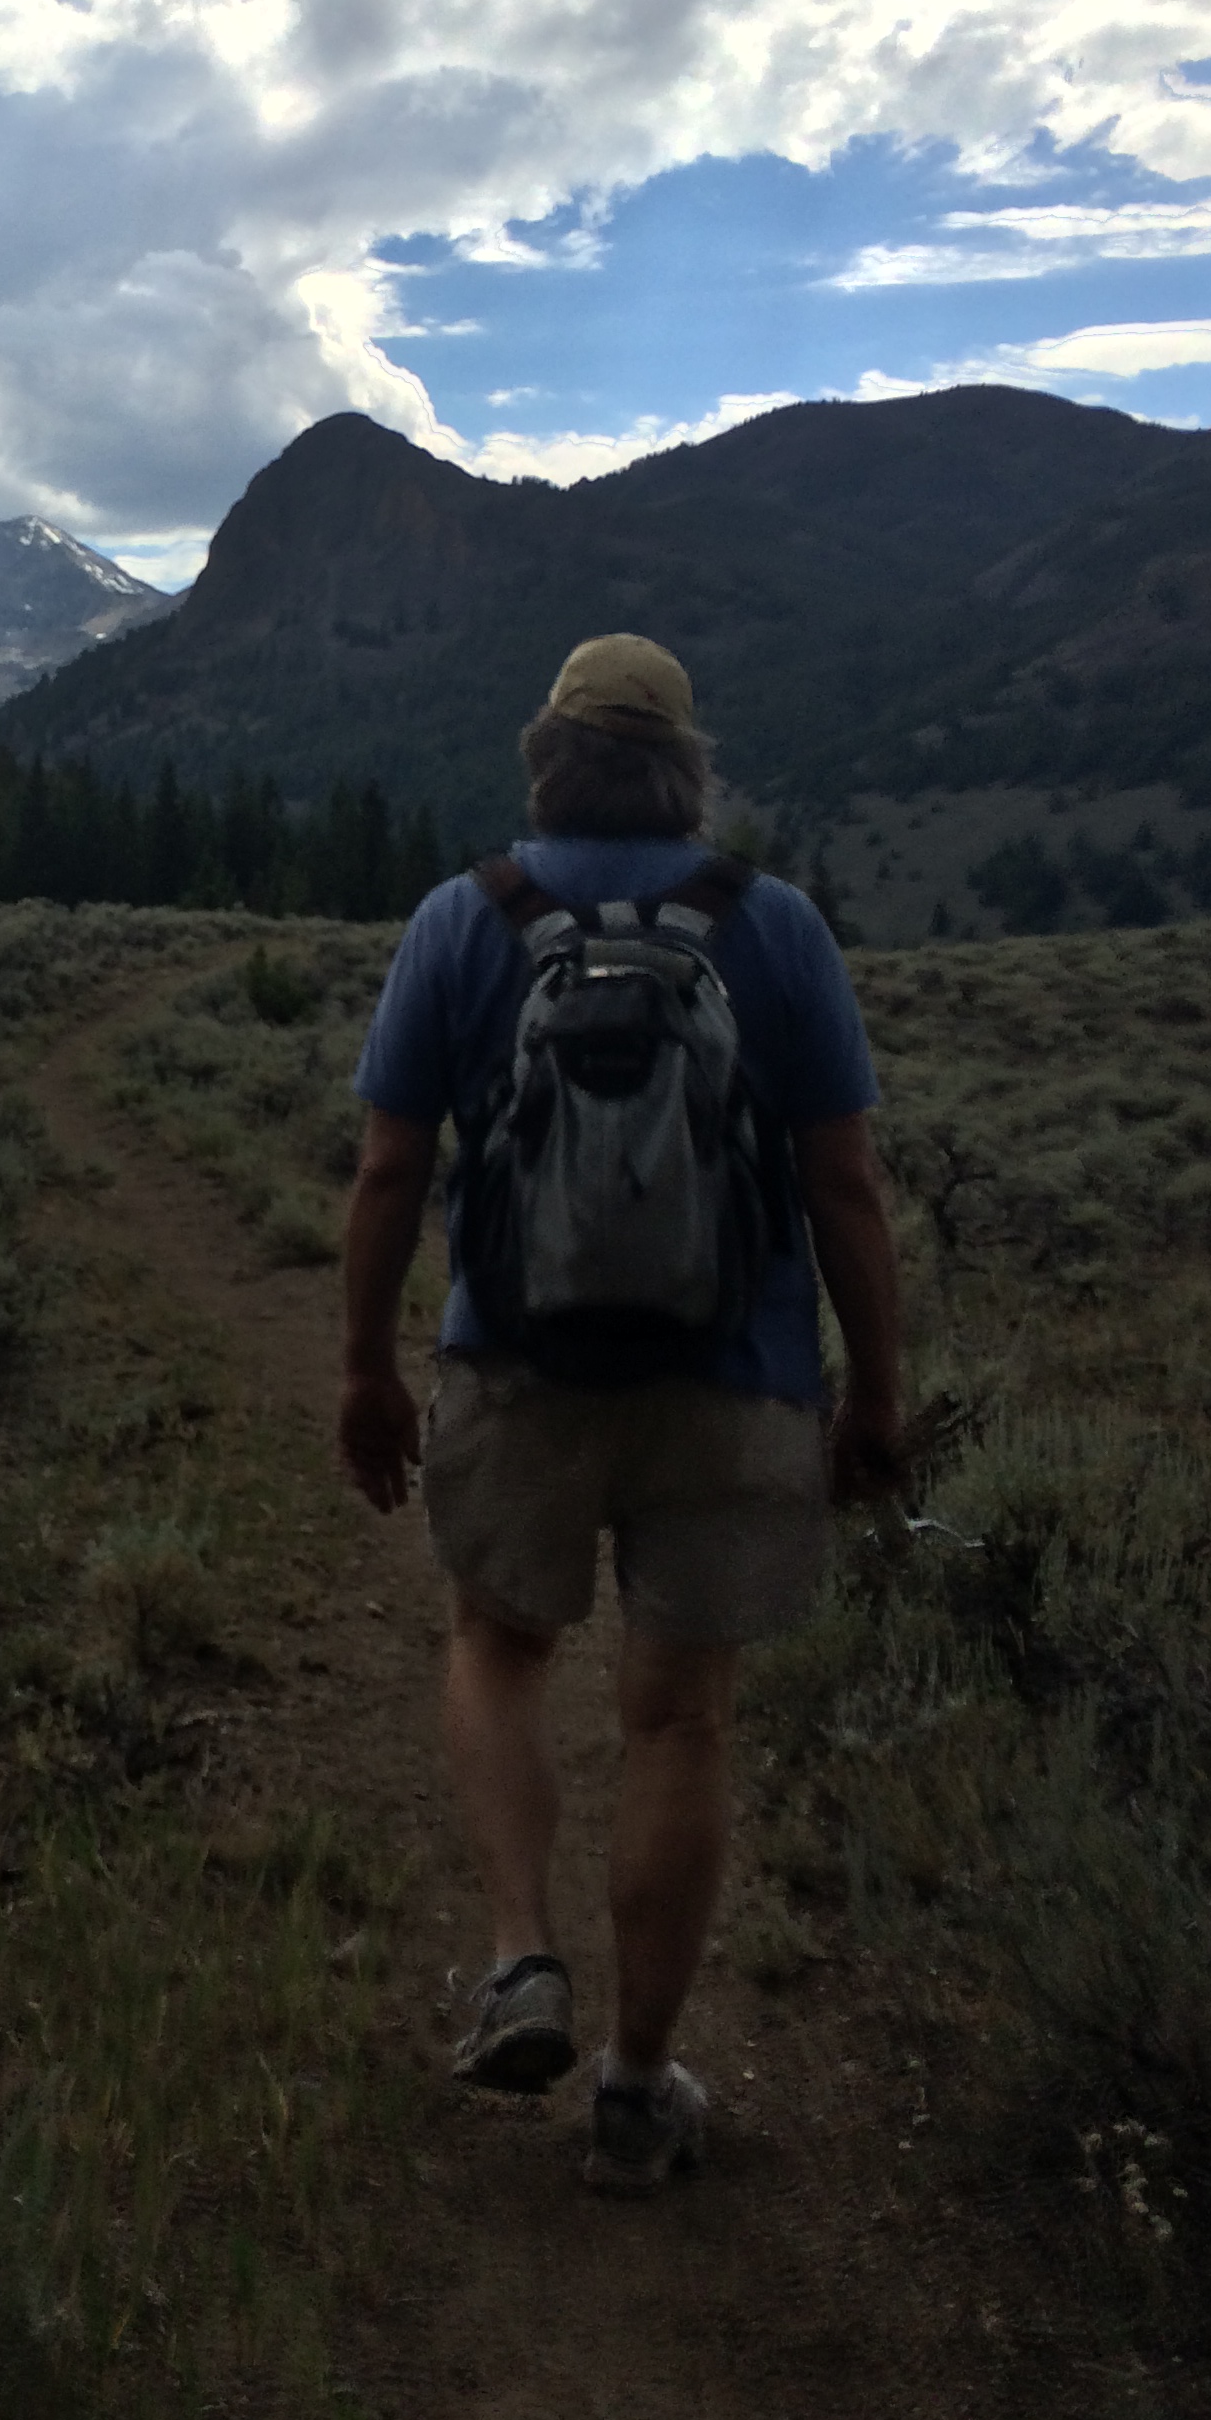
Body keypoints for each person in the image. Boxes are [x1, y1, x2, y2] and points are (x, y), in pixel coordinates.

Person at [338, 632, 904, 2194]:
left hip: (518, 1364)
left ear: (548, 760)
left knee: (497, 1645)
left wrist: (367, 1367)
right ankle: (639, 2092)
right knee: (680, 1717)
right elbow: (844, 1185)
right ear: (686, 771)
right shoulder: (773, 925)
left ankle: (522, 1955)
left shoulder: (464, 917)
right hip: (733, 1376)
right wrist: (874, 1392)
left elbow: (388, 1168)